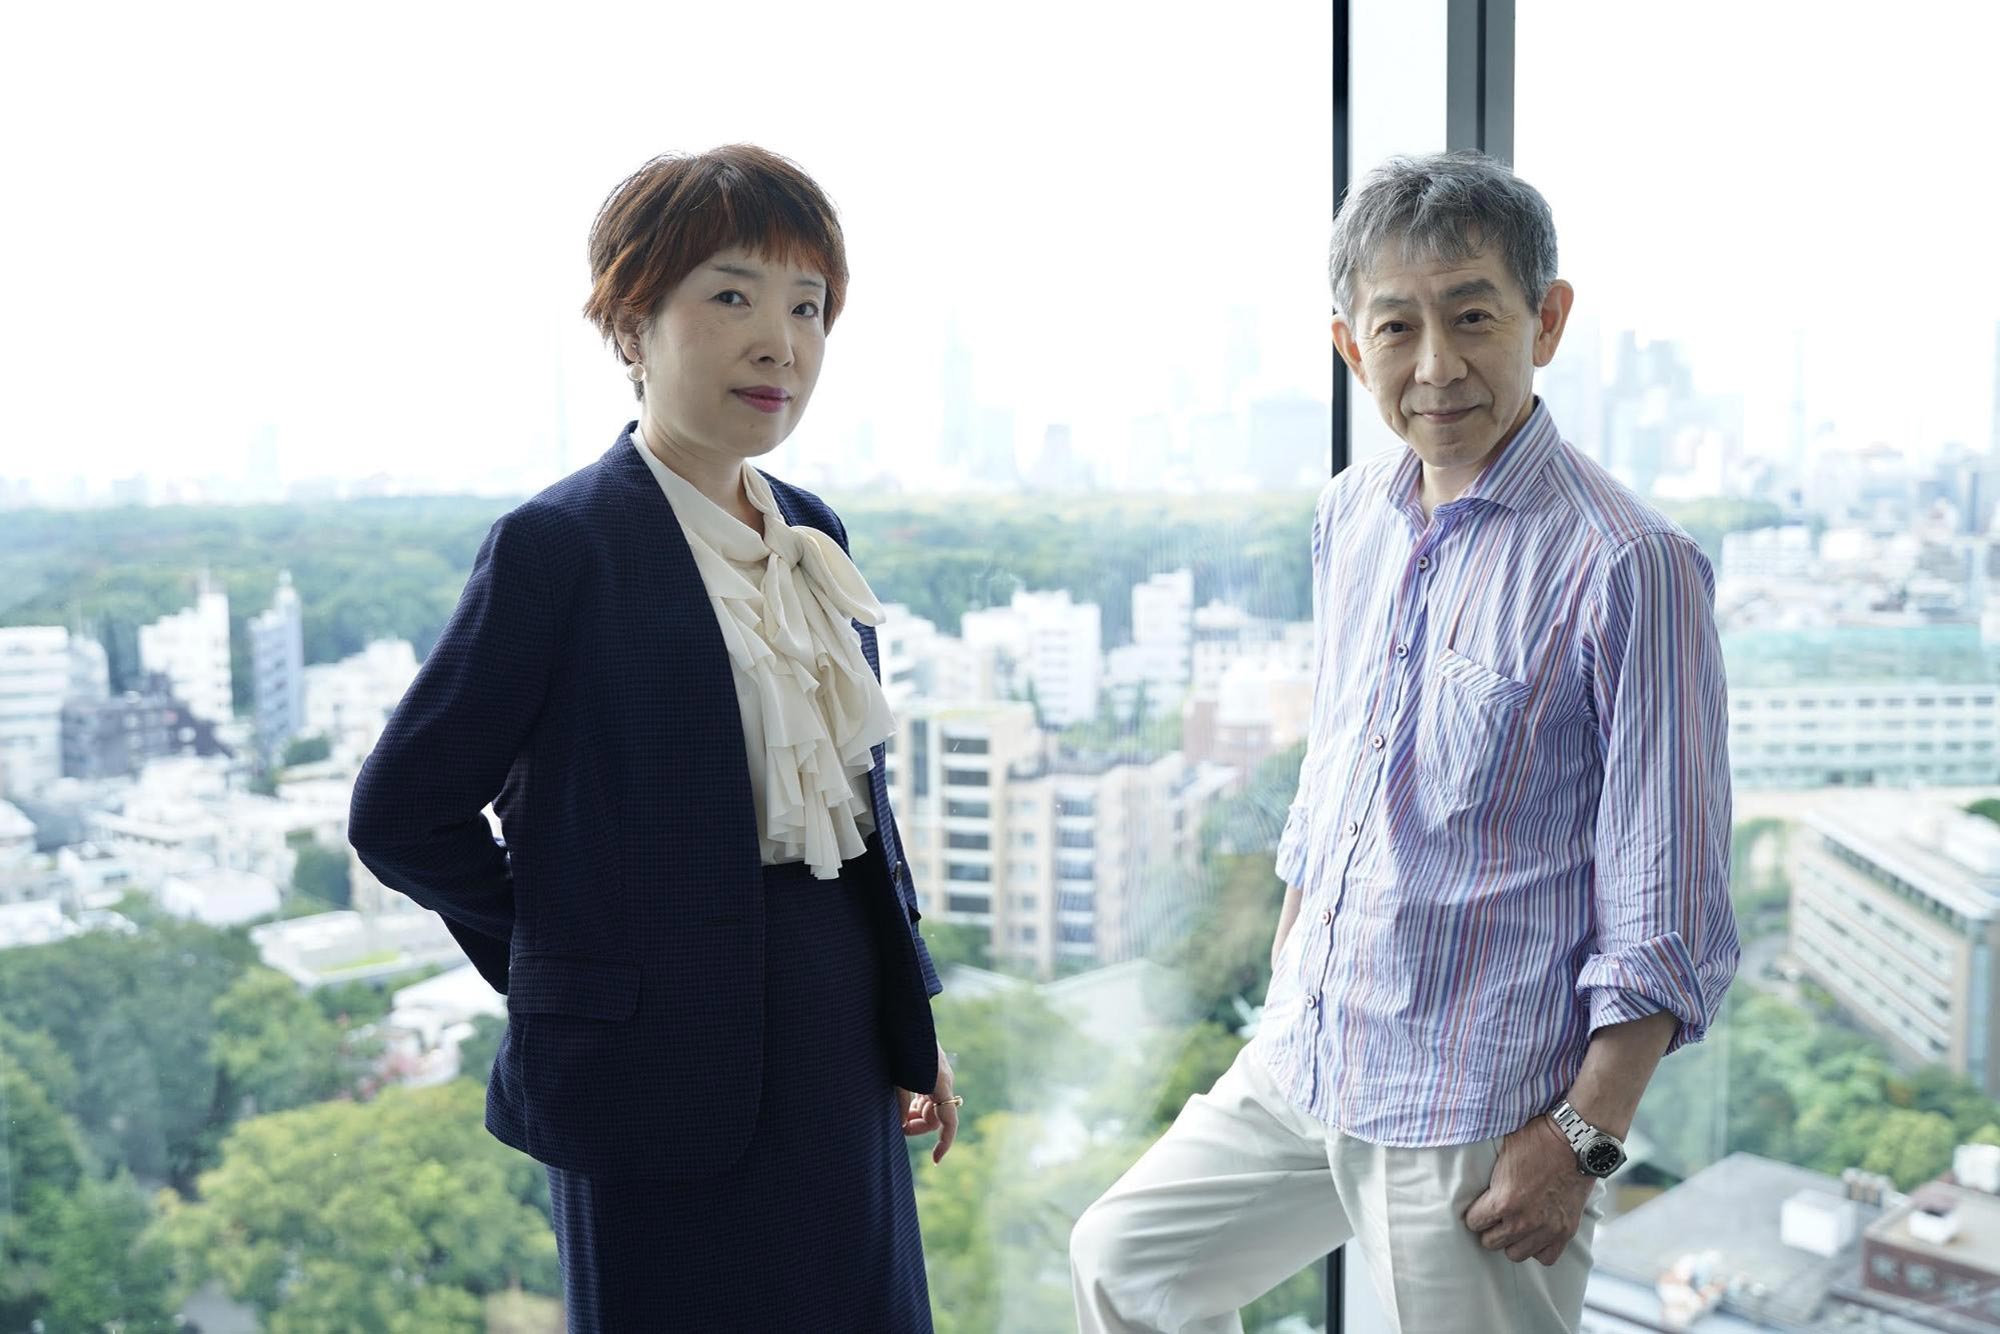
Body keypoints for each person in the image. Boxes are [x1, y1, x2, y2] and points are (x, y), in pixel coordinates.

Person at [1069, 150, 1740, 1333]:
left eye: (1471, 316)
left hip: (1476, 1106)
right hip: (1308, 1053)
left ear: (1545, 320)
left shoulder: (1628, 563)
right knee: (1126, 1263)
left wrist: (1580, 1137)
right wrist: (1290, 968)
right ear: (1349, 346)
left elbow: (1667, 897)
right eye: (1395, 326)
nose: (1434, 364)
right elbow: (1339, 774)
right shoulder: (1351, 514)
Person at [348, 144, 958, 1332]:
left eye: (807, 306)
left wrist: (907, 1018)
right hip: (648, 1066)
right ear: (631, 325)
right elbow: (401, 813)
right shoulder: (559, 545)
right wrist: (572, 970)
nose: (778, 343)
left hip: (835, 1035)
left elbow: (857, 815)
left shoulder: (812, 533)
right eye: (731, 296)